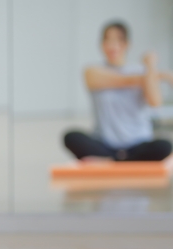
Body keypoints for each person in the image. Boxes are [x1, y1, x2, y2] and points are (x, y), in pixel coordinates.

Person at [64, 21, 173, 162]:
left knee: (164, 146)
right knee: (72, 137)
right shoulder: (92, 71)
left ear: (127, 44)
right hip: (105, 144)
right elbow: (122, 80)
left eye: (118, 40)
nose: (112, 45)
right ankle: (121, 159)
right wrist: (162, 75)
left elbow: (155, 102)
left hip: (138, 143)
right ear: (102, 44)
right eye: (108, 40)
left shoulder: (143, 71)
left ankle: (117, 159)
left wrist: (151, 66)